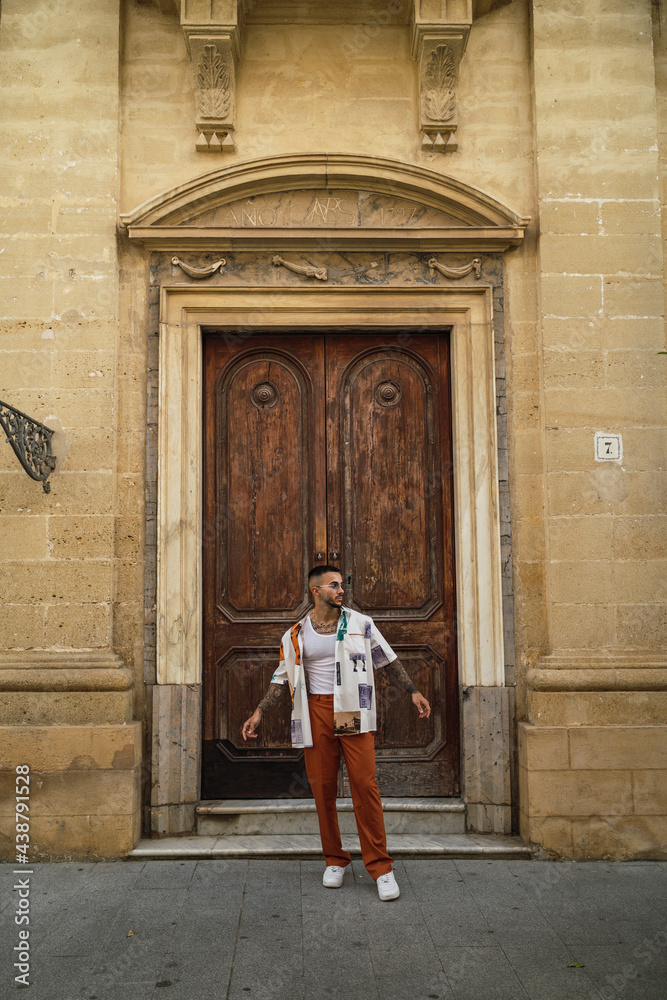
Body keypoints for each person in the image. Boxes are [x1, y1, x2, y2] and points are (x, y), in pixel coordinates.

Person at [242, 565, 431, 901]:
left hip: (352, 710)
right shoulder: (296, 634)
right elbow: (281, 677)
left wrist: (412, 690)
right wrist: (259, 712)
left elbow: (385, 660)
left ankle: (381, 867)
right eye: (334, 585)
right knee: (323, 788)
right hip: (314, 711)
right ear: (316, 591)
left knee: (364, 784)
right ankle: (335, 859)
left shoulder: (360, 623)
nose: (341, 590)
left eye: (343, 584)